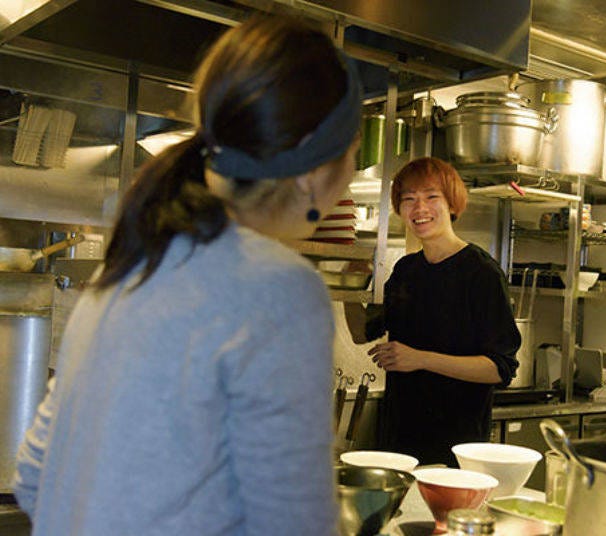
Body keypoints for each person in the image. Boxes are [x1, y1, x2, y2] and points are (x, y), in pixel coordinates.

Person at [14, 14, 361, 536]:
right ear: (314, 172)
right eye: (353, 150)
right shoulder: (281, 289)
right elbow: (294, 525)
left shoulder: (130, 264)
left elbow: (33, 479)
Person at [346, 157, 521, 467]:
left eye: (431, 197)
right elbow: (362, 332)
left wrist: (420, 358)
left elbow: (500, 368)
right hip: (399, 440)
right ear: (400, 210)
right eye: (409, 199)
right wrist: (348, 287)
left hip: (455, 448)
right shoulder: (406, 270)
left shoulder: (481, 273)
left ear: (452, 203)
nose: (419, 208)